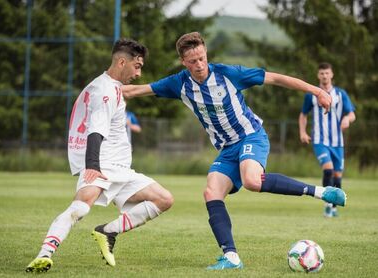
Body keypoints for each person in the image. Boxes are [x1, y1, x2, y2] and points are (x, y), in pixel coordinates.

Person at [122, 32, 347, 270]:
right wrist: (104, 86)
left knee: (251, 180)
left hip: (251, 136)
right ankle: (231, 257)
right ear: (183, 62)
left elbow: (277, 79)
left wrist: (317, 91)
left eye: (201, 58)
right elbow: (134, 91)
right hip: (227, 149)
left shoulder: (228, 74)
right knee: (211, 192)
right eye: (192, 61)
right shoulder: (179, 83)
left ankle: (322, 192)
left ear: (205, 53)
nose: (199, 65)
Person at [25, 39, 173, 273]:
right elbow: (96, 130)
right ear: (122, 61)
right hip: (103, 164)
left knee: (164, 199)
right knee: (81, 207)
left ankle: (108, 231)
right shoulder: (106, 91)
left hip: (121, 169)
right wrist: (92, 165)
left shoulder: (108, 86)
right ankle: (44, 254)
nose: (139, 72)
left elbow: (123, 102)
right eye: (137, 66)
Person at [299, 62, 355, 218]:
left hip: (337, 142)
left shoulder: (340, 94)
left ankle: (334, 207)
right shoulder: (311, 95)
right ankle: (327, 203)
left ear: (332, 74)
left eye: (327, 73)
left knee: (337, 176)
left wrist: (347, 119)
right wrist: (303, 132)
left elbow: (351, 113)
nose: (324, 76)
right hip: (319, 140)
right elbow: (303, 115)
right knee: (328, 169)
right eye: (322, 73)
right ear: (318, 75)